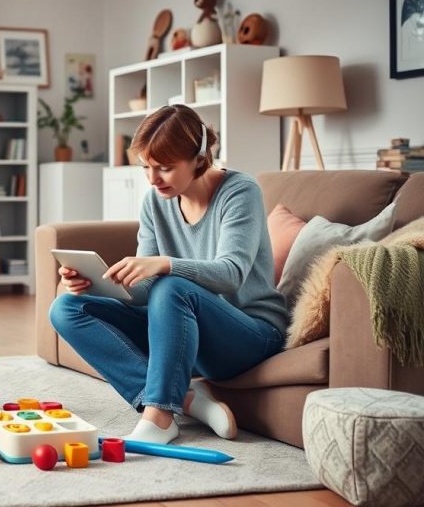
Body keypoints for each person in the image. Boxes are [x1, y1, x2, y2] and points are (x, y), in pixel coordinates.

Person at [48, 104, 287, 444]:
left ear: (199, 158)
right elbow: (145, 291)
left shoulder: (240, 191)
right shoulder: (155, 201)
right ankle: (185, 400)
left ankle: (161, 416)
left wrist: (163, 264)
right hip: (184, 333)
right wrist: (95, 285)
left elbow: (231, 274)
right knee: (67, 309)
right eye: (146, 166)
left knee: (171, 285)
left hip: (250, 334)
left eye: (165, 168)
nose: (152, 178)